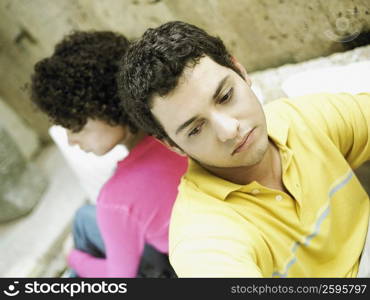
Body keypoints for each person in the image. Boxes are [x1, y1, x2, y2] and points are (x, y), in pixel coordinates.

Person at [118, 21, 370, 277]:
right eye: (195, 129)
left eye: (225, 96)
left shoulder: (298, 120)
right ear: (172, 144)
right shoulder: (202, 236)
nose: (229, 131)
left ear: (240, 70)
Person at [30, 31, 187, 277]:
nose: (71, 141)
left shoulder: (116, 200)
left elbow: (119, 280)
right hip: (208, 244)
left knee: (80, 256)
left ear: (107, 106)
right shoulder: (180, 133)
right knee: (83, 218)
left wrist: (74, 258)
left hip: (184, 269)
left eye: (76, 126)